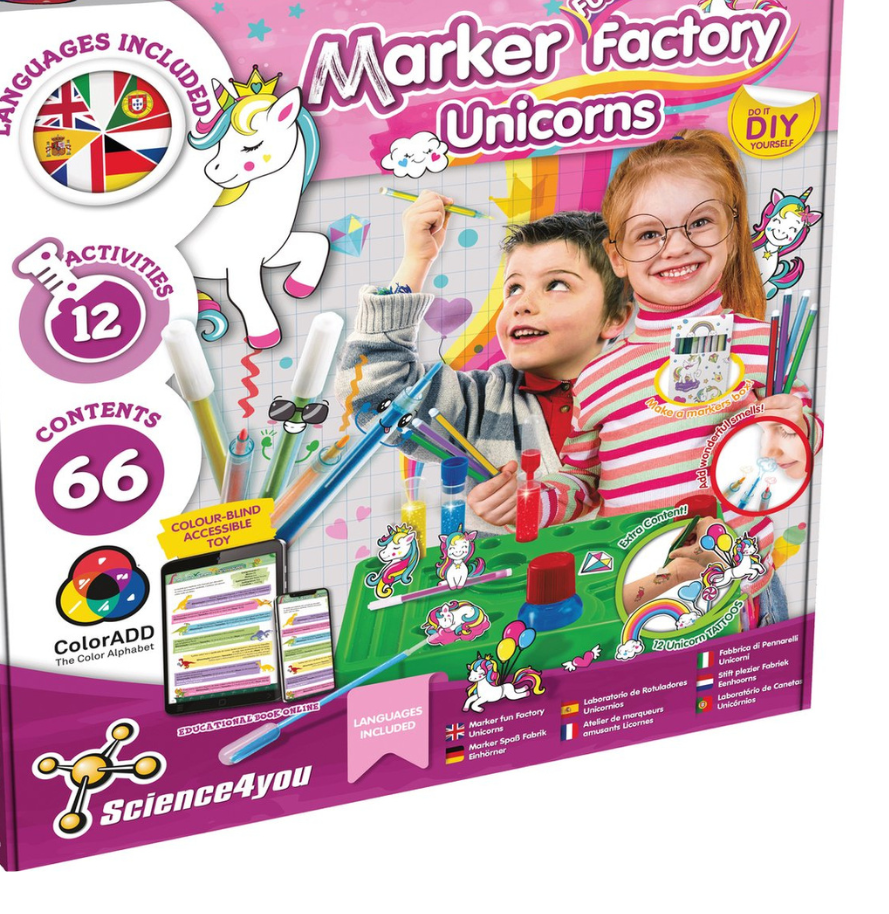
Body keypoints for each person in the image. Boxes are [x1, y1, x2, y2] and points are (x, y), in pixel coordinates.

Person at [538, 130, 822, 625]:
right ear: (617, 256)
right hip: (636, 599)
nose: (676, 246)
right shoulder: (598, 376)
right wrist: (533, 501)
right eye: (649, 233)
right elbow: (582, 481)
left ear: (732, 233)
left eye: (700, 223)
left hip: (740, 600)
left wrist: (793, 433)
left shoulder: (767, 346)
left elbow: (806, 439)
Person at [334, 192, 632, 534]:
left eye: (556, 285)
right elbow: (375, 394)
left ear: (614, 317)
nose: (522, 304)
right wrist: (417, 260)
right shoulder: (479, 403)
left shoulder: (643, 394)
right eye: (514, 288)